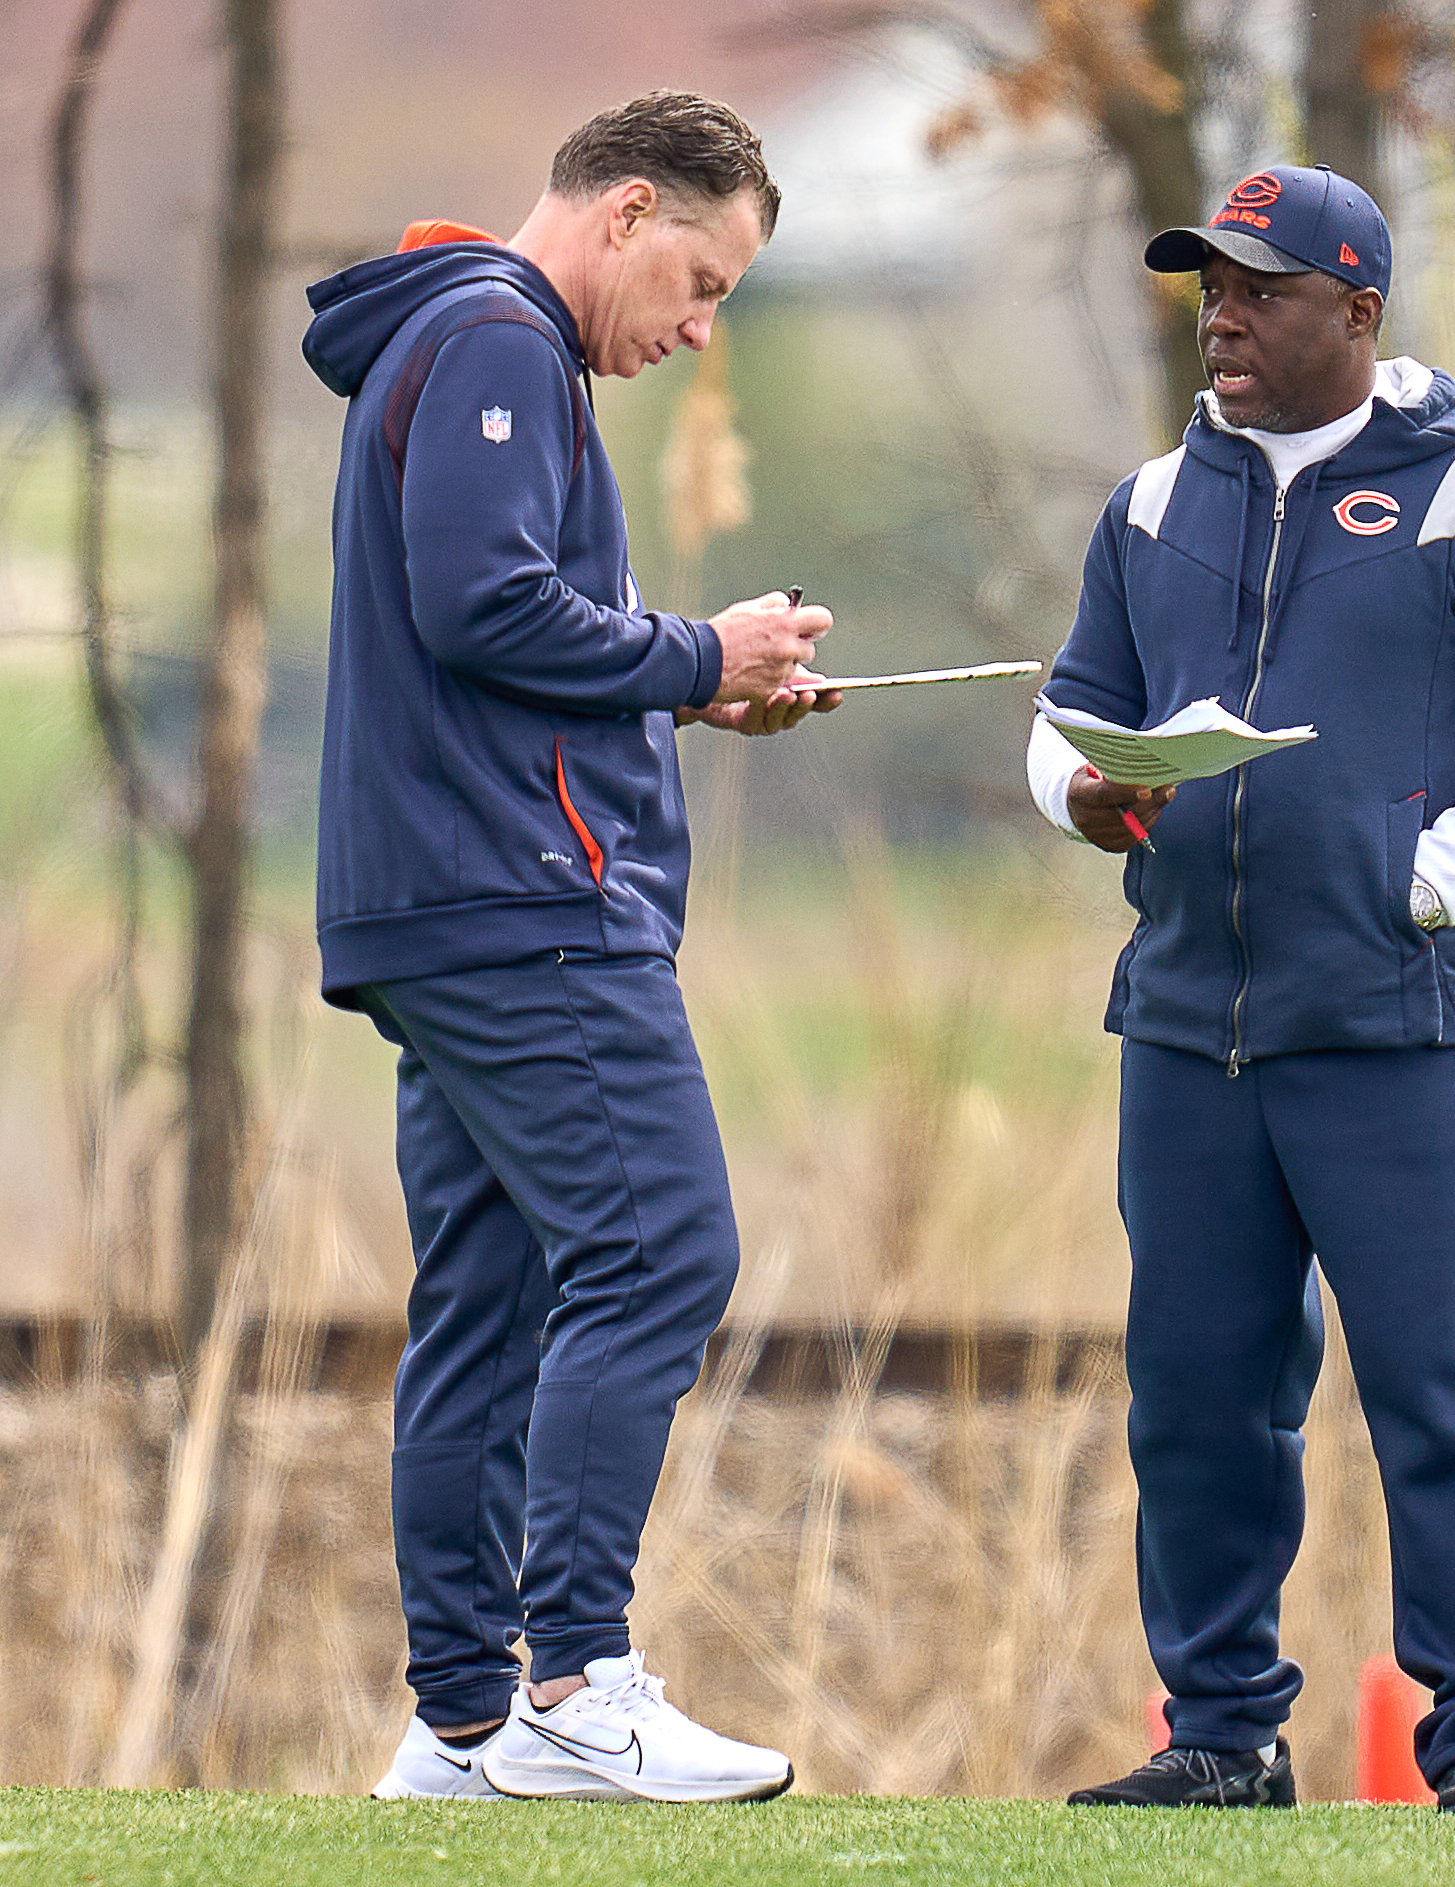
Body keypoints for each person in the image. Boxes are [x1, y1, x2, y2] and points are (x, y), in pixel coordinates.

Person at [1030, 165, 1455, 1813]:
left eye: (1259, 289)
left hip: (1400, 1029)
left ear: (1356, 312)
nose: (1221, 314)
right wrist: (1077, 791)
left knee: (1449, 1391)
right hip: (1189, 1029)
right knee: (1202, 1401)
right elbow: (1074, 709)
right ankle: (1219, 1737)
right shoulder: (1154, 504)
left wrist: (1422, 878)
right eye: (1208, 285)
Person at [301, 90, 838, 1805]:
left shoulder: (452, 340)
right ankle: (578, 1684)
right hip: (522, 911)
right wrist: (701, 649)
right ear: (622, 213)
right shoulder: (497, 339)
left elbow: (500, 640)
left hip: (439, 907)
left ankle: (463, 1727)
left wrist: (703, 688)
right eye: (701, 281)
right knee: (663, 1252)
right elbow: (485, 602)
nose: (696, 329)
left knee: (493, 1297)